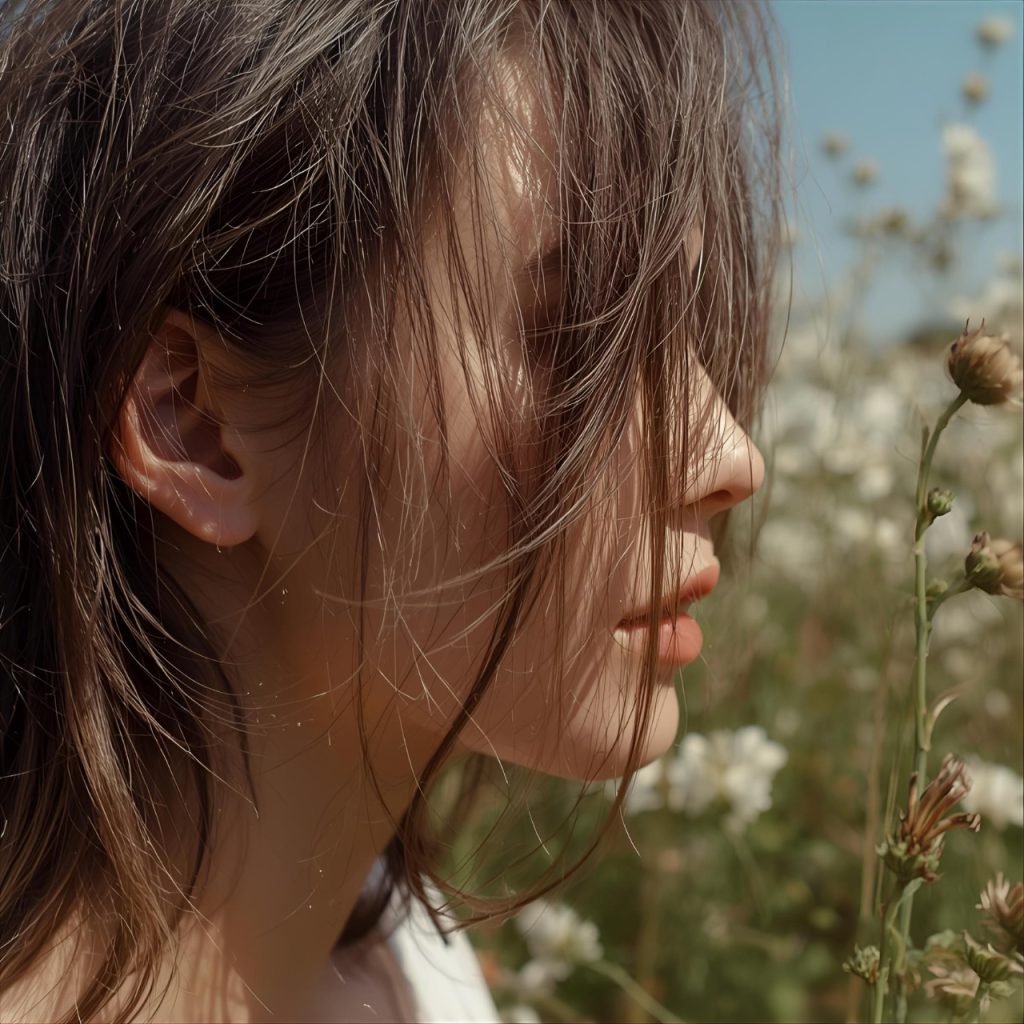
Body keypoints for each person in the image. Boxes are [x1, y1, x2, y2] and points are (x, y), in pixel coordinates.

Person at [0, 1, 784, 1020]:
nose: (731, 456)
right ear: (193, 423)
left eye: (682, 336)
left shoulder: (423, 966)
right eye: (573, 336)